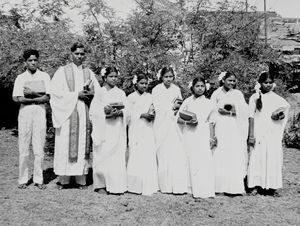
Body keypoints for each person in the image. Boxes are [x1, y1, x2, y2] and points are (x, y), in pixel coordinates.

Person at [50, 42, 100, 189]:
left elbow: (97, 92)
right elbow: (54, 93)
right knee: (65, 143)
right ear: (71, 54)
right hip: (66, 112)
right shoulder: (62, 71)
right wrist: (75, 95)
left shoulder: (89, 72)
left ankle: (81, 179)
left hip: (83, 111)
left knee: (81, 144)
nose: (79, 56)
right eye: (77, 53)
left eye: (82, 54)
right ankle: (63, 179)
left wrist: (91, 94)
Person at [247, 71, 290, 197]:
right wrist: (251, 135)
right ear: (260, 83)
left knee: (272, 157)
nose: (268, 85)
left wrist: (278, 115)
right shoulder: (254, 98)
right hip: (259, 132)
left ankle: (272, 186)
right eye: (265, 82)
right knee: (257, 157)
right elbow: (251, 117)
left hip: (272, 133)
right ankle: (255, 185)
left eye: (270, 82)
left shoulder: (277, 98)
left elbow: (285, 110)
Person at [12, 49, 50, 189]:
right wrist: (37, 96)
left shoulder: (45, 76)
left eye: (35, 60)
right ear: (25, 62)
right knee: (23, 145)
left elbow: (47, 97)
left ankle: (38, 179)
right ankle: (22, 179)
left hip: (39, 111)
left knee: (39, 145)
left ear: (38, 61)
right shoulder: (20, 78)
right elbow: (18, 98)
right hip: (25, 112)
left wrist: (31, 93)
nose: (33, 63)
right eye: (30, 60)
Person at [89, 66, 127, 194]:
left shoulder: (121, 93)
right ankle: (101, 185)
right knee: (102, 155)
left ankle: (115, 184)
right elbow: (93, 112)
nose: (114, 79)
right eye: (111, 76)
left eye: (116, 76)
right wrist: (104, 112)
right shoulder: (100, 92)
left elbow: (128, 111)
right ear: (105, 77)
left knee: (116, 156)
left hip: (116, 128)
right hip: (104, 128)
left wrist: (121, 112)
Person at [210, 71, 248, 195]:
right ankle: (219, 186)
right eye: (229, 80)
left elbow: (244, 112)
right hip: (220, 126)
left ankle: (234, 187)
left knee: (233, 153)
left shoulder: (238, 94)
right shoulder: (216, 93)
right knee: (220, 153)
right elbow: (212, 111)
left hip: (234, 126)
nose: (231, 83)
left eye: (233, 81)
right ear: (223, 80)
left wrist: (229, 113)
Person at [177, 77, 216, 199]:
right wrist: (188, 123)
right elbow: (178, 118)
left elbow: (212, 121)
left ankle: (203, 187)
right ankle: (189, 186)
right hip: (190, 132)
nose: (200, 88)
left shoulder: (210, 103)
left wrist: (212, 137)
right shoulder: (188, 102)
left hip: (203, 132)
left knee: (202, 159)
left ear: (206, 87)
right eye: (197, 86)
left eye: (202, 86)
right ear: (192, 88)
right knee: (189, 157)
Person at [152, 66, 189, 194]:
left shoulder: (176, 89)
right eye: (166, 77)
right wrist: (170, 107)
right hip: (162, 124)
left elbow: (180, 104)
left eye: (170, 77)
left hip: (173, 123)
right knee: (162, 152)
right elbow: (157, 107)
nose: (169, 79)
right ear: (161, 77)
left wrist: (177, 107)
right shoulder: (156, 89)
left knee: (174, 152)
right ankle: (163, 184)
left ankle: (174, 183)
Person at [126, 74, 159, 195]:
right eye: (141, 83)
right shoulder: (130, 97)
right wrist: (141, 114)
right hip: (136, 128)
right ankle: (134, 185)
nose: (144, 86)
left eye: (146, 83)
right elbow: (128, 115)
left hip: (148, 128)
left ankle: (148, 184)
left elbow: (154, 110)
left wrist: (151, 114)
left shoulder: (150, 97)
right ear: (136, 84)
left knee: (147, 153)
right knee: (136, 153)